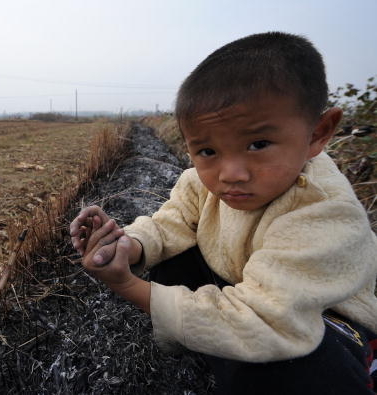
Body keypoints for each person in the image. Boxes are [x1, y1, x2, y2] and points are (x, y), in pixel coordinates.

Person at [69, 32, 377, 394]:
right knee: (173, 255)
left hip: (319, 320)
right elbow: (173, 223)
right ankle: (209, 339)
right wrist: (128, 244)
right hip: (247, 288)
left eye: (258, 144)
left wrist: (127, 285)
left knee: (288, 370)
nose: (230, 173)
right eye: (207, 151)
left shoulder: (324, 213)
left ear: (318, 133)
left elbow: (267, 320)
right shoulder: (203, 182)